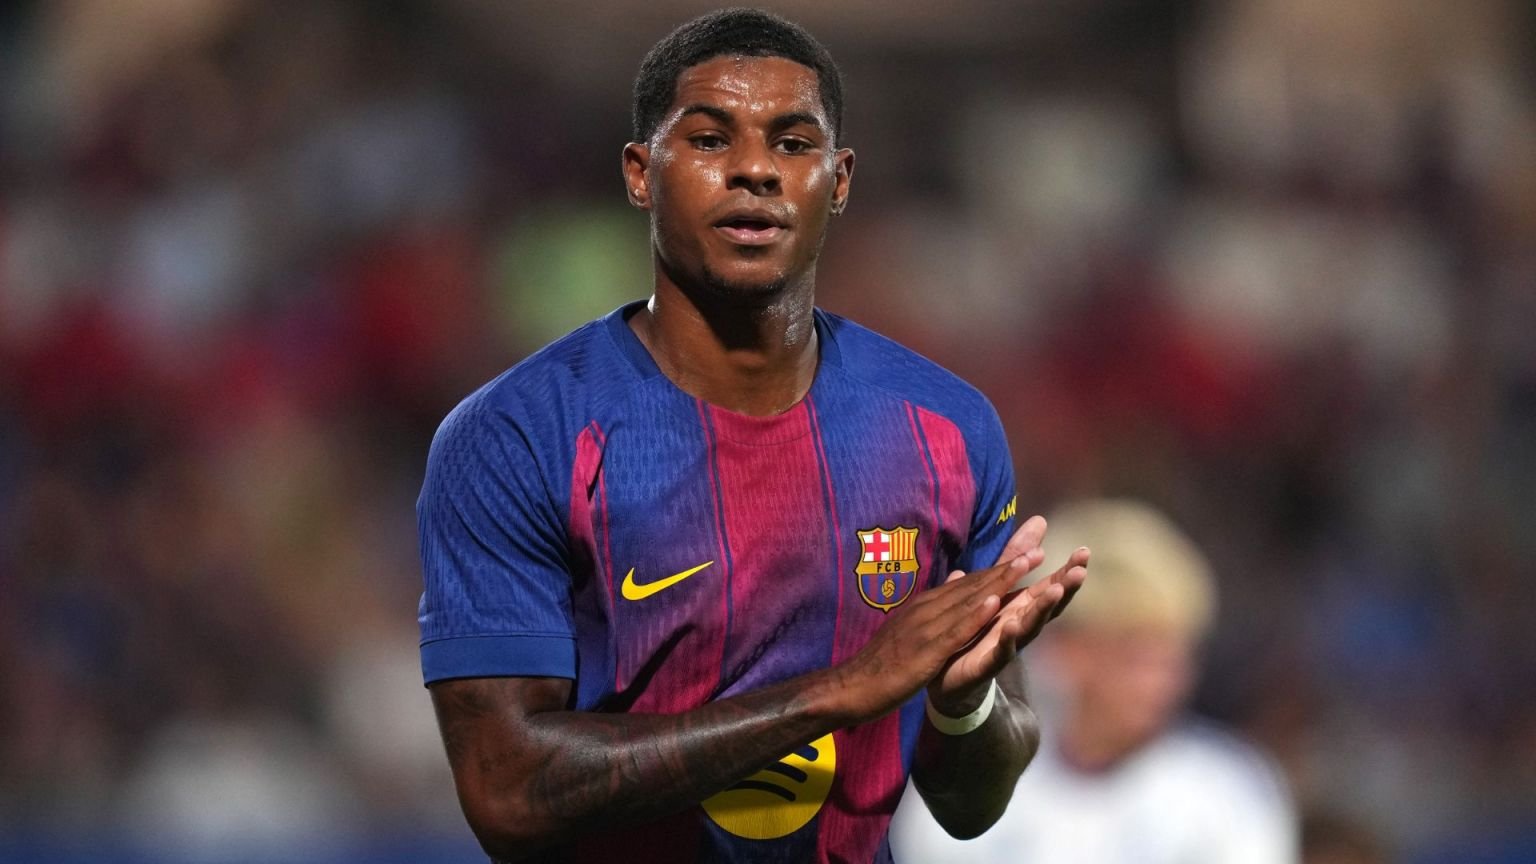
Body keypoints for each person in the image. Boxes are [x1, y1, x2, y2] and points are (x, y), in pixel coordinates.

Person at [415, 9, 1089, 863]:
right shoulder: (518, 435)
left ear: (839, 180)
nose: (756, 170)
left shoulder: (947, 432)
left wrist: (962, 707)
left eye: (794, 143)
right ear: (640, 174)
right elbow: (507, 792)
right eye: (708, 140)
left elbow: (970, 808)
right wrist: (837, 694)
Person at [888, 498, 1297, 864]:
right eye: (1139, 657)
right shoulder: (963, 789)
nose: (1165, 682)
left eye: (1175, 658)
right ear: (1067, 649)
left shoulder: (1228, 792)